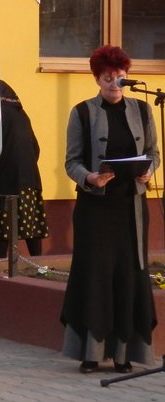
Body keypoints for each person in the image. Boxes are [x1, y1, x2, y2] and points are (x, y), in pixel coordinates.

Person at [61, 45, 159, 374]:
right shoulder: (83, 112)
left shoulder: (144, 111)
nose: (115, 83)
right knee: (96, 275)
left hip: (131, 208)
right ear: (97, 79)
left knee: (128, 276)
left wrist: (149, 170)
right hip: (96, 210)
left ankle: (123, 355)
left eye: (120, 77)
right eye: (108, 78)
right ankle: (91, 353)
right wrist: (89, 177)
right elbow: (71, 161)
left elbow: (153, 152)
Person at [0, 80, 49, 258]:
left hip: (5, 181)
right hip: (29, 180)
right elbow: (35, 147)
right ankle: (37, 265)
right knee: (31, 225)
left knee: (2, 227)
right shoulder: (21, 115)